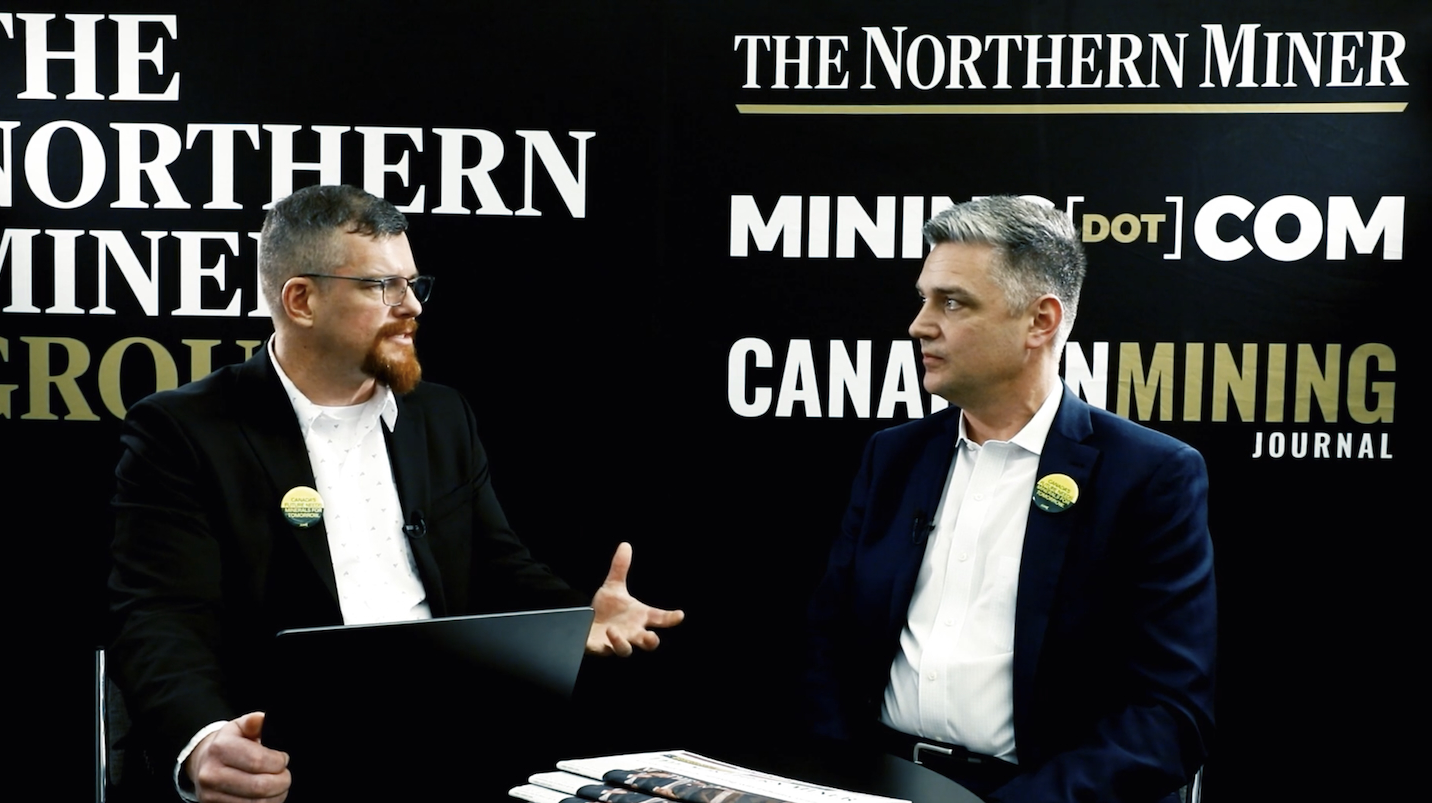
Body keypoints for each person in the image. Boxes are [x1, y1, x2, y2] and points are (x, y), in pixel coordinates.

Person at [109, 184, 683, 802]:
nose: (411, 306)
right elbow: (162, 618)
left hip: (450, 749)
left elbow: (498, 566)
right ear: (301, 300)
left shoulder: (440, 415)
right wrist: (204, 741)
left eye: (412, 283)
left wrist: (577, 619)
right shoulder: (182, 432)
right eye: (382, 286)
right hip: (286, 764)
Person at [804, 196, 1215, 803]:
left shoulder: (1150, 475)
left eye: (952, 302)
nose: (920, 324)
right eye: (924, 299)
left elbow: (1169, 716)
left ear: (1040, 321)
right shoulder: (892, 457)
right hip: (876, 783)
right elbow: (828, 647)